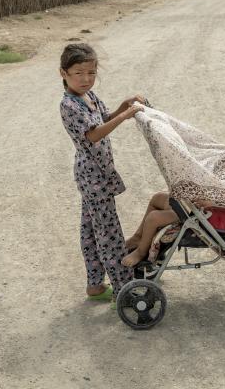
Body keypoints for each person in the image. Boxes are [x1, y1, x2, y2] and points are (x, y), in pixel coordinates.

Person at [59, 42, 146, 301]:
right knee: (109, 234)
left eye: (92, 73)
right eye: (79, 73)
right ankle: (123, 290)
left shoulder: (89, 96)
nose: (86, 79)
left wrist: (122, 106)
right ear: (63, 73)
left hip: (97, 174)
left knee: (90, 230)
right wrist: (126, 116)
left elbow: (103, 119)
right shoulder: (69, 105)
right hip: (93, 176)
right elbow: (94, 134)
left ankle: (95, 284)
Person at [122, 164, 225, 267]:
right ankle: (138, 236)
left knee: (154, 218)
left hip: (207, 219)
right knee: (157, 198)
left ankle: (141, 252)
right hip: (199, 209)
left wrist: (211, 201)